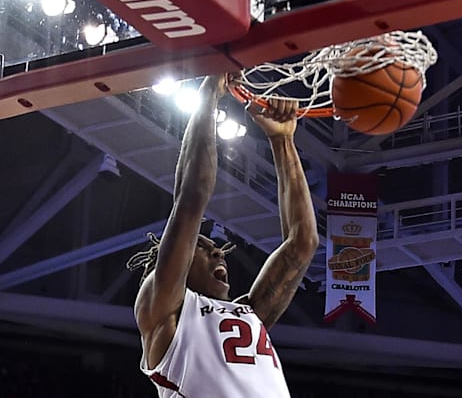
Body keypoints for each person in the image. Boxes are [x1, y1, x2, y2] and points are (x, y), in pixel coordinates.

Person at [126, 74, 319, 397]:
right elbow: (192, 197)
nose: (219, 254)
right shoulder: (165, 308)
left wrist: (283, 141)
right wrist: (208, 96)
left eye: (218, 249)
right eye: (203, 248)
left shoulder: (248, 313)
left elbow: (303, 243)